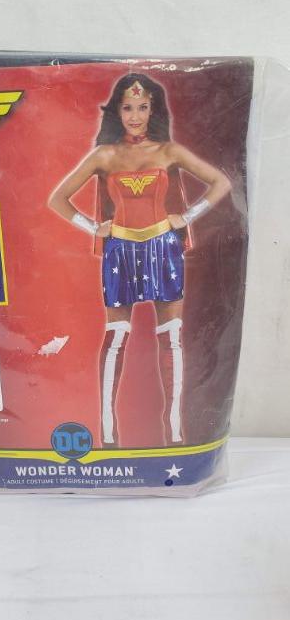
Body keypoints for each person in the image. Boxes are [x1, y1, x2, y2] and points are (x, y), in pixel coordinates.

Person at [48, 73, 231, 448]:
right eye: (128, 107)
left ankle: (175, 433)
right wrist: (92, 226)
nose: (135, 115)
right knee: (115, 338)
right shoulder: (104, 155)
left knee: (172, 339)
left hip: (164, 248)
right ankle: (107, 434)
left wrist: (187, 217)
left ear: (153, 110)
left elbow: (221, 182)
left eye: (143, 107)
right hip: (120, 251)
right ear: (117, 111)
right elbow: (57, 199)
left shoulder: (168, 151)